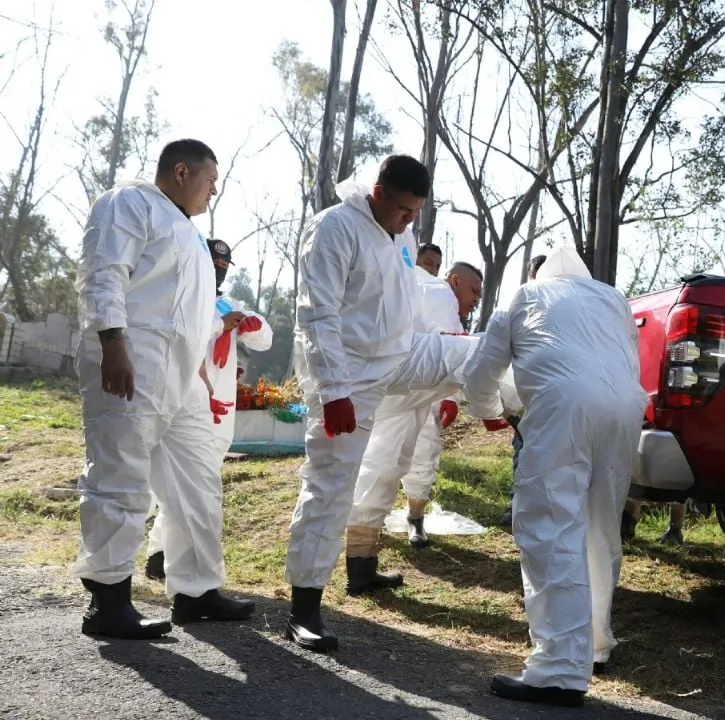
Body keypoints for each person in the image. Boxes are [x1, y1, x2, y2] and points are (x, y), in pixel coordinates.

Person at [286, 154, 479, 652]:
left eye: (414, 212)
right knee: (331, 483)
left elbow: (401, 301)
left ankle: (510, 407)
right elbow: (318, 316)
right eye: (401, 210)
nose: (407, 221)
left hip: (402, 353)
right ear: (376, 192)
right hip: (348, 372)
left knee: (475, 354)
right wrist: (334, 393)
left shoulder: (402, 234)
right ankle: (304, 607)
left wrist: (477, 396)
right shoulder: (333, 229)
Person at [72, 138, 256, 639]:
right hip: (132, 359)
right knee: (120, 476)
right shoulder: (127, 202)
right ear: (181, 171)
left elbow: (188, 310)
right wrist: (112, 342)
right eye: (210, 181)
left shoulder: (192, 235)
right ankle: (108, 602)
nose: (213, 192)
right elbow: (102, 273)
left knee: (199, 479)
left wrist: (196, 364)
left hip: (182, 377)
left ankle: (196, 592)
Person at [465, 245, 647, 707]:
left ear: (538, 272)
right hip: (626, 408)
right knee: (602, 529)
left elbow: (482, 370)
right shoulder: (612, 297)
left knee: (550, 528)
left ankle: (558, 671)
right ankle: (594, 645)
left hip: (564, 405)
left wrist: (489, 410)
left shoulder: (525, 295)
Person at [343, 261, 483, 588]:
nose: (476, 299)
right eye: (474, 290)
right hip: (407, 386)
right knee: (398, 461)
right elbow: (438, 349)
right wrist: (454, 394)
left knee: (386, 463)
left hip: (396, 385)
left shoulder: (416, 288)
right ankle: (366, 560)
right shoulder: (439, 293)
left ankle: (362, 564)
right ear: (455, 280)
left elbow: (427, 336)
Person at [144, 238, 274, 581]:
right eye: (212, 265)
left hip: (221, 409)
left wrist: (251, 323)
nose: (217, 272)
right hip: (185, 402)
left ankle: (166, 556)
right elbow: (186, 336)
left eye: (223, 268)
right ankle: (151, 556)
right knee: (169, 484)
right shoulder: (183, 297)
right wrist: (222, 325)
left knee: (199, 486)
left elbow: (264, 339)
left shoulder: (228, 304)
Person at [497, 253, 545, 528]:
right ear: (530, 276)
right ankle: (518, 505)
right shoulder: (521, 305)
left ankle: (538, 508)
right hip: (525, 398)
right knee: (522, 451)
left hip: (553, 398)